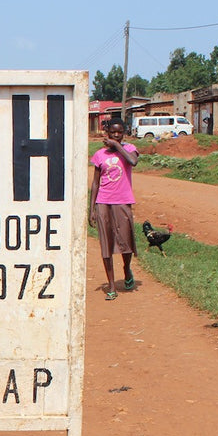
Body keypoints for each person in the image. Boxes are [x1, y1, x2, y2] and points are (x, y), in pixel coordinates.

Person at [89, 117, 139, 300]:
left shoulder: (130, 150)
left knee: (126, 242)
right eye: (113, 132)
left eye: (120, 132)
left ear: (124, 133)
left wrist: (118, 146)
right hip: (103, 202)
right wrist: (92, 208)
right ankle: (111, 285)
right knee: (106, 244)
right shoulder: (100, 155)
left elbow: (133, 162)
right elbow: (95, 183)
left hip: (122, 201)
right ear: (107, 133)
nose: (116, 135)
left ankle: (126, 269)